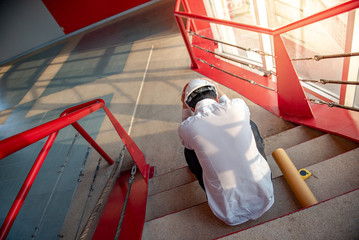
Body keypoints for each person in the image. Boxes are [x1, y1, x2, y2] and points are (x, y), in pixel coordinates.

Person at [178, 78, 274, 226]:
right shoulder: (238, 106)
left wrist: (183, 105)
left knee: (189, 150)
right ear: (216, 97)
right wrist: (217, 86)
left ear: (191, 108)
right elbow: (229, 105)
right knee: (250, 124)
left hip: (228, 213)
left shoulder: (188, 127)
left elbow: (184, 135)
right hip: (266, 196)